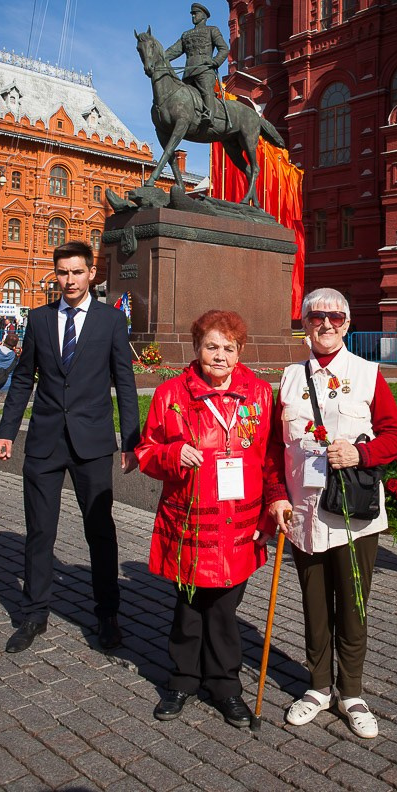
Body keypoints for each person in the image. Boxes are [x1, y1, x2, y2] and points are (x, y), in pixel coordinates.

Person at [266, 288, 397, 739]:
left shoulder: (367, 374)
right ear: (304, 324)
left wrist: (362, 454)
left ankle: (352, 691)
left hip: (353, 514)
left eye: (335, 318)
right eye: (315, 318)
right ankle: (318, 686)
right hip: (304, 512)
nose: (325, 325)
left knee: (353, 604)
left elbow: (396, 437)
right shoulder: (288, 379)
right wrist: (276, 495)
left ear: (347, 324)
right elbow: (273, 448)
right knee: (312, 603)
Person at [0, 241, 140, 654]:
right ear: (55, 274)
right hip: (43, 442)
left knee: (100, 532)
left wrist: (131, 442)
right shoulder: (39, 319)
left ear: (92, 274)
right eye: (63, 272)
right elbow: (23, 378)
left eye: (77, 272)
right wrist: (6, 431)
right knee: (40, 531)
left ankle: (107, 614)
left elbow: (124, 384)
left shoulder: (111, 321)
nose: (70, 280)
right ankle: (34, 614)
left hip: (92, 444)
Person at [136, 310, 273, 729]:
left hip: (239, 521)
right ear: (196, 349)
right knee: (190, 603)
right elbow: (146, 451)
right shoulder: (171, 394)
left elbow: (270, 457)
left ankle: (226, 686)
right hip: (192, 521)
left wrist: (275, 506)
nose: (220, 355)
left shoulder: (260, 394)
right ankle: (182, 680)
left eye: (229, 348)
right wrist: (171, 454)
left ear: (240, 352)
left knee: (225, 606)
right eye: (212, 346)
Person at [165, 3, 229, 123]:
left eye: (196, 13)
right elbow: (174, 50)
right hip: (189, 72)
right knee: (180, 95)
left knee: (206, 90)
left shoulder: (212, 30)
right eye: (192, 14)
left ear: (203, 16)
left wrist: (215, 61)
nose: (193, 16)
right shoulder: (186, 34)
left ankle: (209, 115)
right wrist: (160, 57)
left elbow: (224, 48)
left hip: (204, 70)